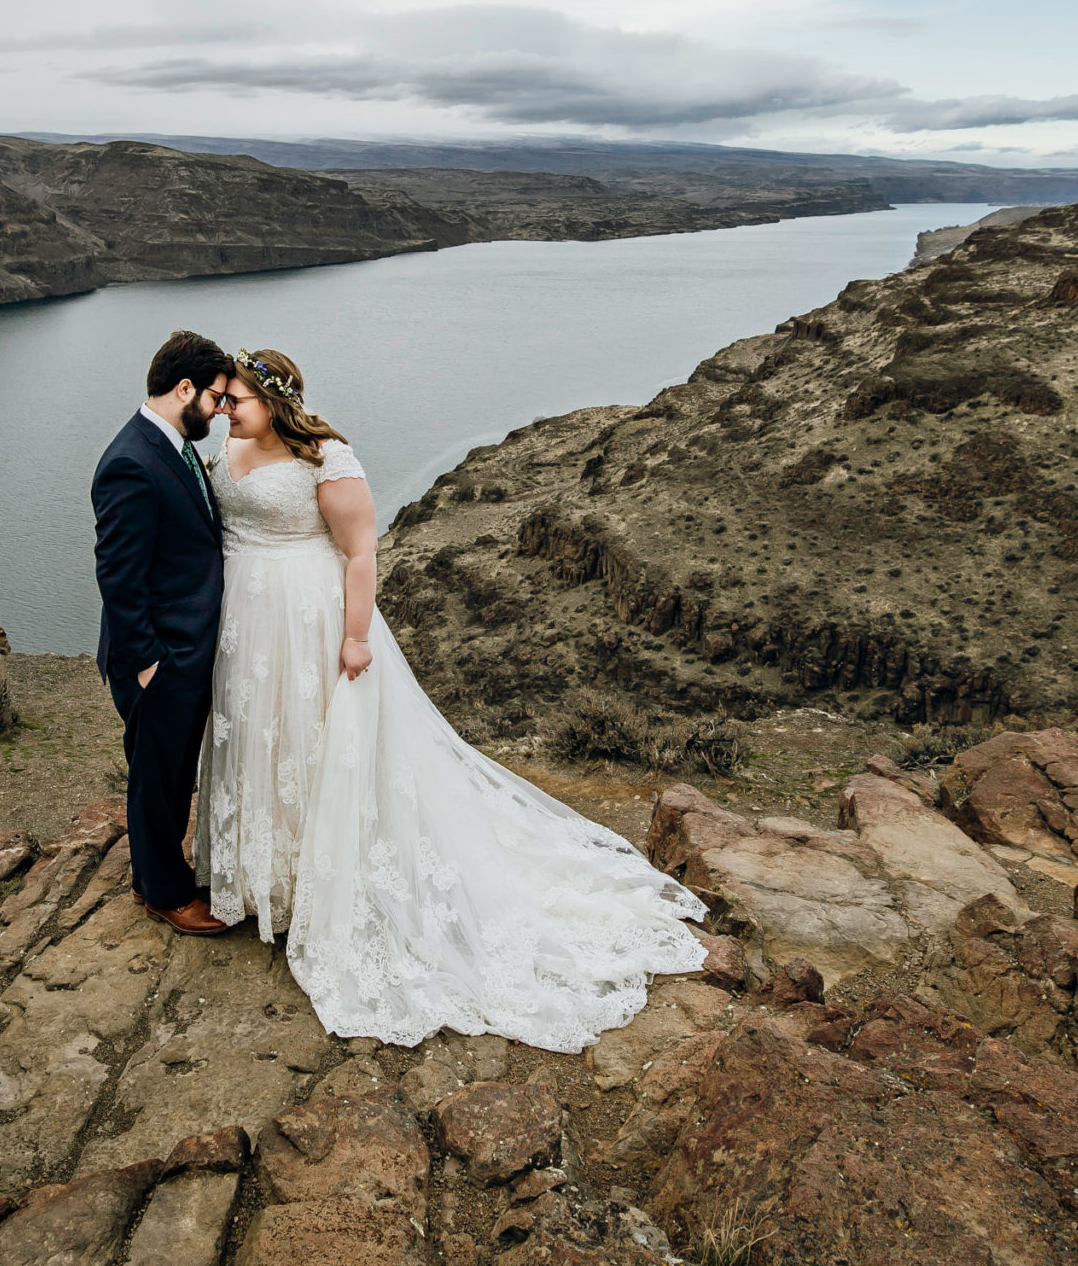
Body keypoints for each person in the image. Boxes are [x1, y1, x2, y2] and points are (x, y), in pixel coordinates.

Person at [195, 348, 709, 1049]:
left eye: (237, 400)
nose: (225, 411)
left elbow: (360, 551)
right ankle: (268, 881)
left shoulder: (326, 458)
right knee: (265, 736)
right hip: (246, 619)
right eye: (221, 400)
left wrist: (354, 639)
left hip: (308, 616)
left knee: (319, 741)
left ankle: (329, 885)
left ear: (275, 400)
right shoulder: (231, 446)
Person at [91, 331, 238, 935]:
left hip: (182, 650)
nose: (221, 409)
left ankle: (155, 873)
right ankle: (164, 893)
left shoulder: (168, 447)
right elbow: (118, 576)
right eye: (216, 397)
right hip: (159, 658)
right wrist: (148, 662)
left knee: (172, 769)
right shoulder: (131, 460)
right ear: (185, 389)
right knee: (158, 774)